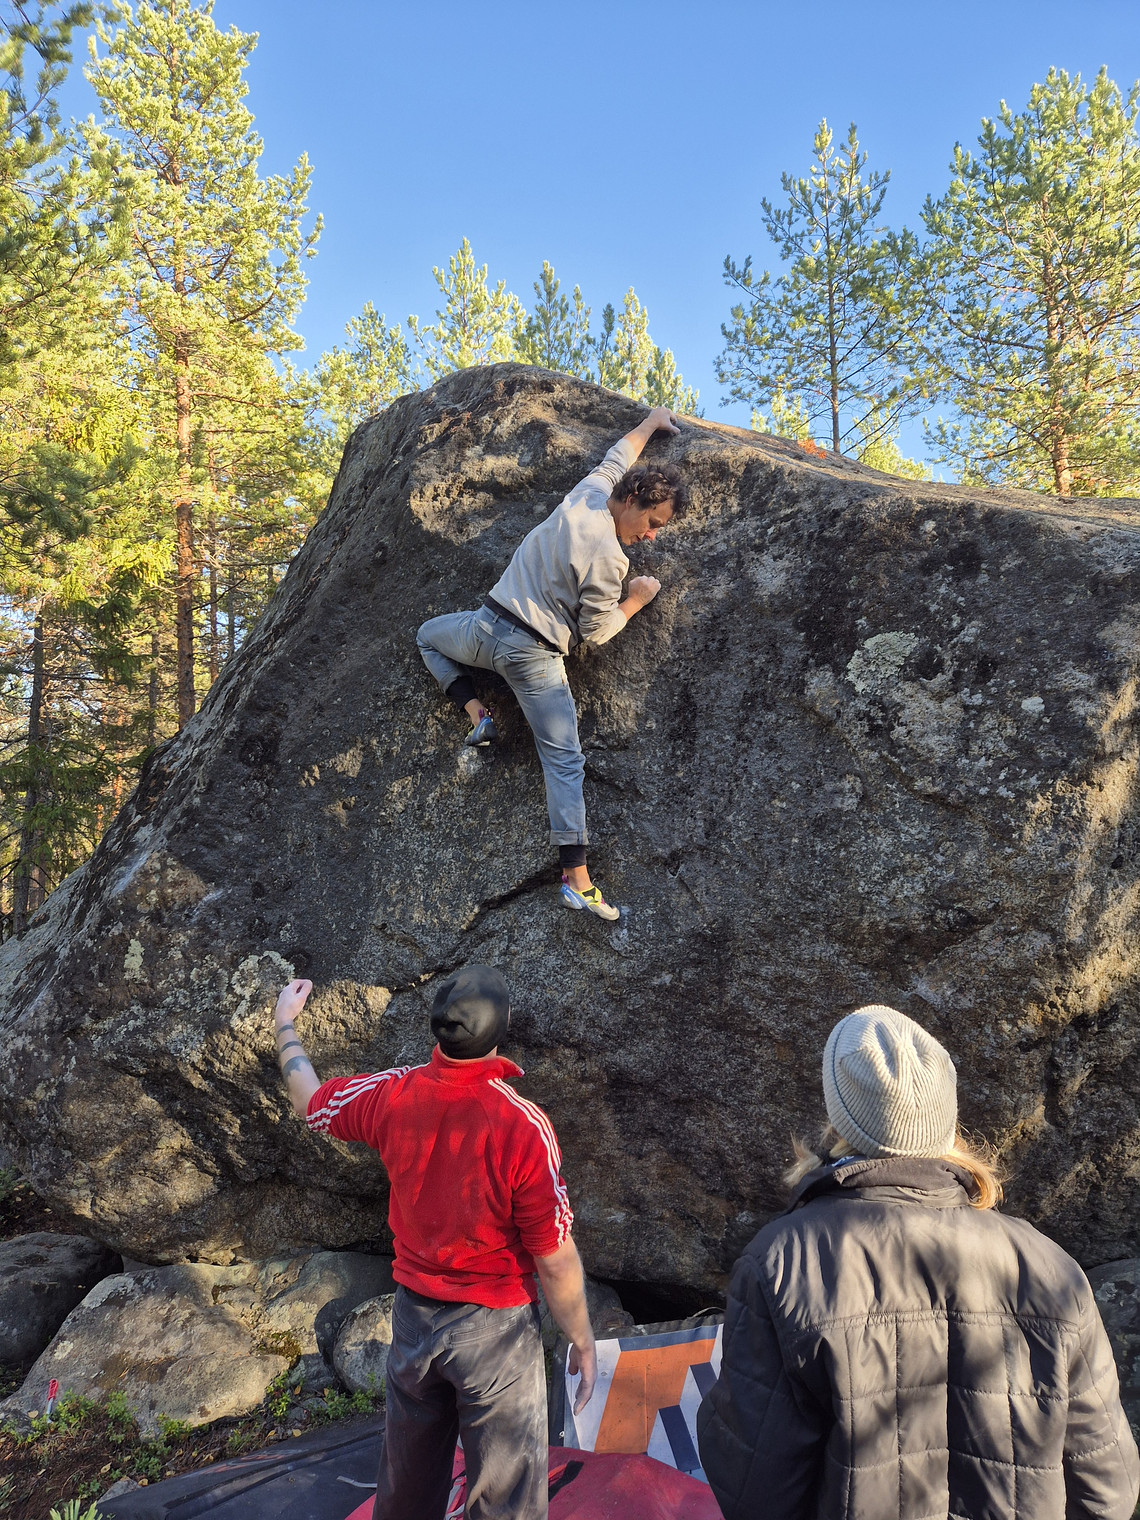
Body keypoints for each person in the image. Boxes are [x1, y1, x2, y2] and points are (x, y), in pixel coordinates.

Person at [696, 1003, 1140, 1520]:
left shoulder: (781, 1264)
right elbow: (1108, 1488)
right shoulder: (1050, 1267)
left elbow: (755, 1487)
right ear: (945, 1116)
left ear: (840, 1117)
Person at [272, 968, 597, 1520]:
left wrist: (285, 1023)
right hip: (495, 1333)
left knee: (407, 1488)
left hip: (413, 1320)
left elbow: (311, 1104)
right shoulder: (522, 1126)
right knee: (507, 1502)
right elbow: (555, 1259)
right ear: (502, 1031)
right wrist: (582, 1341)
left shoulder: (393, 1093)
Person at [416, 404, 687, 921]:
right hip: (533, 657)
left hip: (483, 630)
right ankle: (577, 881)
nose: (652, 534)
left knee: (427, 637)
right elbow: (596, 632)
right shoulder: (611, 559)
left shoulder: (586, 494)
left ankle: (476, 713)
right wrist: (636, 599)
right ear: (633, 499)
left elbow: (617, 457)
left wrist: (651, 423)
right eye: (653, 523)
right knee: (564, 761)